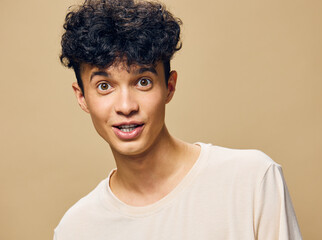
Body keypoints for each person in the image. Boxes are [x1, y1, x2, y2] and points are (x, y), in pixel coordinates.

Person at [54, 0, 302, 239]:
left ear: (169, 87)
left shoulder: (253, 181)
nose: (126, 106)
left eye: (143, 82)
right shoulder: (76, 229)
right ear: (82, 97)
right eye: (104, 86)